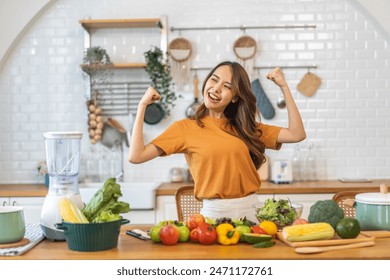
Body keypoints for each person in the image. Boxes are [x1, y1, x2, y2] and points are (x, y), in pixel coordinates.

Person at [129, 61, 306, 222]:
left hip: (252, 213)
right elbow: (137, 156)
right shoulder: (184, 128)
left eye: (227, 86)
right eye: (214, 80)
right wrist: (142, 106)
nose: (216, 88)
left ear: (235, 97)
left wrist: (283, 86)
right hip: (213, 216)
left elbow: (296, 134)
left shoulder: (246, 127)